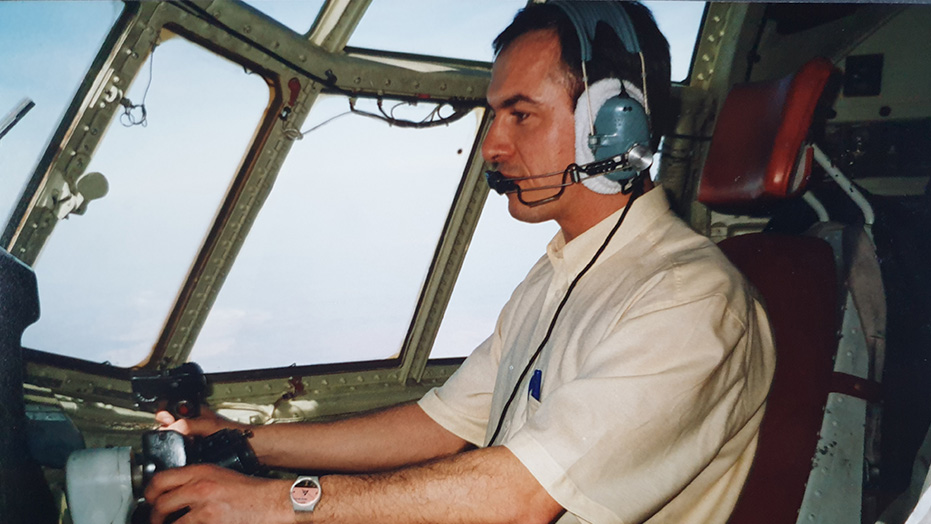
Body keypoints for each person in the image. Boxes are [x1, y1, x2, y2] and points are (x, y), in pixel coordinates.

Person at [145, 2, 776, 523]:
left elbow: (520, 496)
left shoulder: (690, 301)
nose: (491, 147)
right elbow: (436, 425)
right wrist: (237, 437)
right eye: (492, 115)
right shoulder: (562, 274)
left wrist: (280, 504)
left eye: (520, 115)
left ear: (613, 127)